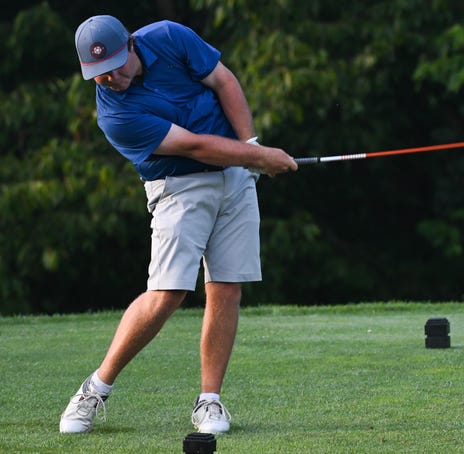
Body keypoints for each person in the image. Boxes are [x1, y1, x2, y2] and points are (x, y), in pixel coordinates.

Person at [60, 15, 297, 435]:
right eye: (98, 75)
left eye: (115, 65)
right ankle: (95, 389)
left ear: (131, 45)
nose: (110, 78)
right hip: (178, 187)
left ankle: (210, 402)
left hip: (235, 176)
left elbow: (224, 82)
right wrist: (257, 158)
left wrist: (251, 147)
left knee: (226, 286)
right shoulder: (114, 116)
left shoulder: (170, 37)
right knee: (167, 294)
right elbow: (193, 146)